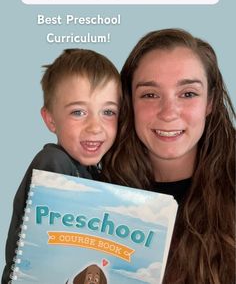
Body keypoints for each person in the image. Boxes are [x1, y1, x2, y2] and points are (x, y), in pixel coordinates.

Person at [103, 29, 235, 284]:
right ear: (130, 102)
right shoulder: (93, 197)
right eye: (150, 95)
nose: (168, 112)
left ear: (210, 101)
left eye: (188, 94)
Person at [2, 48, 121, 284]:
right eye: (78, 112)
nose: (95, 127)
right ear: (50, 120)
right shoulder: (53, 163)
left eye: (108, 112)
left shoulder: (93, 172)